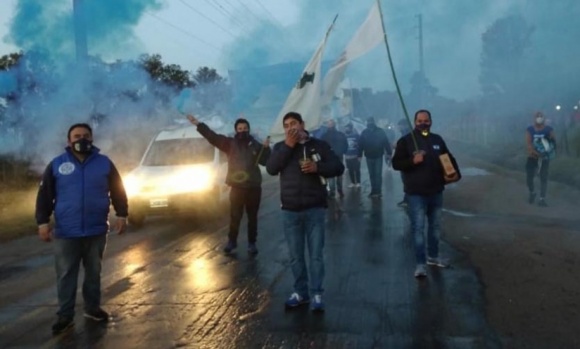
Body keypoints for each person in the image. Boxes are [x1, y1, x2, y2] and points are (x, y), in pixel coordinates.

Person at [35, 123, 128, 335]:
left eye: (86, 135)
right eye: (77, 136)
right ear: (69, 141)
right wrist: (42, 222)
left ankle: (92, 308)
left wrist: (122, 214)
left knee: (94, 272)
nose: (81, 139)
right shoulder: (57, 164)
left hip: (96, 230)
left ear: (92, 139)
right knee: (66, 274)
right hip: (67, 232)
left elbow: (118, 190)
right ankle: (65, 315)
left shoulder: (104, 163)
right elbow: (45, 195)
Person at [266, 112, 344, 312]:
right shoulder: (280, 148)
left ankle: (317, 293)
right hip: (290, 210)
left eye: (294, 123)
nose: (290, 127)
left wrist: (318, 167)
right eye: (286, 125)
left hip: (315, 208)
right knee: (295, 256)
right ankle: (301, 292)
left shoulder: (319, 145)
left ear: (302, 124)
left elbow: (338, 166)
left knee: (316, 255)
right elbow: (272, 168)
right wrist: (289, 146)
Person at [187, 114, 271, 254]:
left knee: (252, 217)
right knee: (235, 216)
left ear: (249, 129)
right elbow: (212, 137)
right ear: (235, 130)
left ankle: (252, 243)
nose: (242, 130)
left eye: (245, 128)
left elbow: (264, 161)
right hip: (237, 188)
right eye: (239, 128)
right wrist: (198, 124)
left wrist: (267, 149)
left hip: (253, 187)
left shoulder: (256, 144)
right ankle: (232, 242)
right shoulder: (229, 144)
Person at [392, 110, 461, 278]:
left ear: (431, 121)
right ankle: (420, 264)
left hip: (436, 190)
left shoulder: (437, 139)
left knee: (435, 227)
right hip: (416, 193)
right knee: (418, 229)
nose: (423, 123)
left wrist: (456, 173)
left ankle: (433, 256)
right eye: (420, 120)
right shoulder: (406, 141)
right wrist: (412, 161)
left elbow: (448, 158)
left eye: (426, 120)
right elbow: (396, 164)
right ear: (415, 122)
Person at [525, 111, 556, 207]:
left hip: (545, 157)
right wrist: (536, 153)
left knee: (543, 178)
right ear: (534, 118)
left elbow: (553, 142)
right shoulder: (530, 130)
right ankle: (532, 192)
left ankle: (542, 199)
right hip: (532, 157)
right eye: (537, 116)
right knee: (529, 177)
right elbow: (529, 144)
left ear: (544, 118)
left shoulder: (549, 129)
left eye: (541, 116)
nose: (539, 118)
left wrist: (547, 151)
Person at [358, 117, 392, 197]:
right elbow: (361, 144)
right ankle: (374, 190)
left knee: (377, 174)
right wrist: (359, 155)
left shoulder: (380, 131)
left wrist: (389, 153)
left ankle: (378, 191)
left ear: (373, 122)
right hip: (369, 156)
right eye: (368, 122)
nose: (370, 123)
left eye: (371, 122)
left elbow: (385, 142)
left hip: (378, 155)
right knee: (372, 174)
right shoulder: (365, 132)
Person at [321, 118, 348, 198]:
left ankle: (334, 191)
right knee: (336, 174)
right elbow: (345, 145)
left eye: (330, 123)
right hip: (334, 157)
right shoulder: (339, 134)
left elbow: (345, 145)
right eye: (329, 123)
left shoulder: (325, 136)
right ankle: (337, 190)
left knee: (334, 175)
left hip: (333, 157)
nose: (330, 125)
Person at [396, 118, 412, 207]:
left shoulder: (408, 135)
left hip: (407, 162)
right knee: (407, 181)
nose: (399, 128)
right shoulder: (406, 134)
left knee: (407, 181)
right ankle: (407, 199)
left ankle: (408, 200)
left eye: (400, 126)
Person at [343, 122, 361, 188]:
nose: (346, 130)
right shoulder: (344, 136)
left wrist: (359, 155)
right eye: (345, 129)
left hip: (355, 156)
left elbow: (360, 145)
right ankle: (353, 182)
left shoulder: (356, 136)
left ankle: (358, 182)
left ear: (350, 129)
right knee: (350, 170)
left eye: (347, 128)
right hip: (347, 157)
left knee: (357, 170)